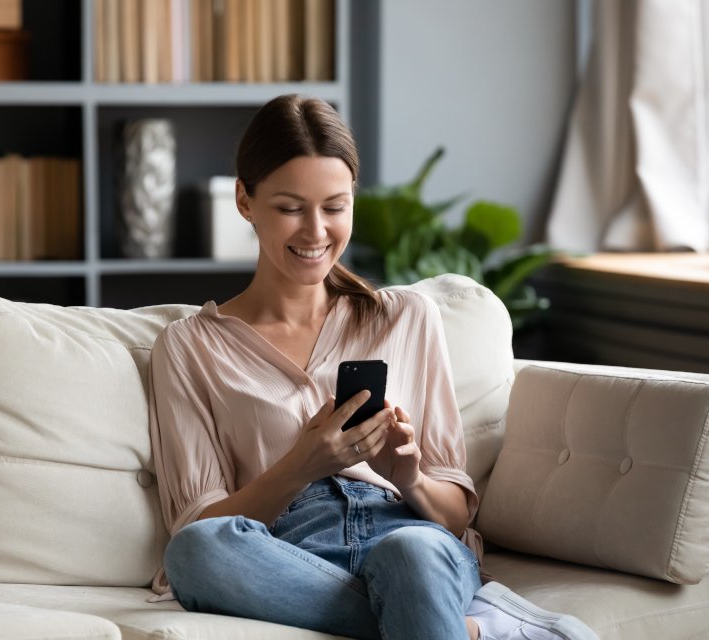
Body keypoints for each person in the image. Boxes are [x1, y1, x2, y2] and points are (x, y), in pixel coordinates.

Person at [148, 94, 597, 640]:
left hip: (408, 537)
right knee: (194, 551)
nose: (316, 232)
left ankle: (429, 614)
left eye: (335, 207)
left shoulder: (406, 317)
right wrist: (301, 466)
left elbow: (454, 518)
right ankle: (478, 630)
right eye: (291, 208)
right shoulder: (191, 345)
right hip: (289, 554)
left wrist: (407, 475)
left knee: (410, 553)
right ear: (245, 199)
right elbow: (202, 524)